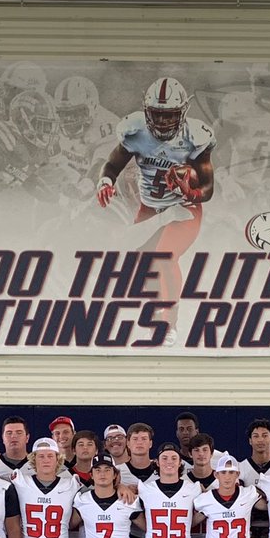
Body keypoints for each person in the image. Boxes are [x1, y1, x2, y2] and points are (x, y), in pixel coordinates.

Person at [96, 77, 215, 345]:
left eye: (169, 115)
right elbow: (113, 165)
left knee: (164, 257)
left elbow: (207, 188)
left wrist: (190, 191)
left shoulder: (195, 137)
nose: (162, 121)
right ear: (147, 111)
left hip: (183, 209)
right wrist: (105, 181)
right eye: (157, 114)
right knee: (141, 264)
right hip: (150, 207)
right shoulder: (135, 131)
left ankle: (168, 323)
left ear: (182, 112)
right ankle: (155, 312)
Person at [72, 454, 142, 538]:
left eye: (107, 470)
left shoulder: (128, 500)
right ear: (91, 475)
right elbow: (67, 526)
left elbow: (147, 527)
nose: (102, 474)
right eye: (97, 470)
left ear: (115, 474)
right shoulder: (83, 500)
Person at [135, 443, 200, 538]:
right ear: (157, 462)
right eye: (164, 458)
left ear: (180, 462)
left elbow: (205, 512)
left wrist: (187, 524)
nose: (169, 461)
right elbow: (133, 513)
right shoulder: (145, 489)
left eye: (173, 458)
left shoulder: (193, 489)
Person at [239, 418, 270, 487]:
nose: (260, 440)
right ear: (250, 441)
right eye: (256, 436)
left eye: (265, 436)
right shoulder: (241, 468)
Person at [0, 416, 31, 480]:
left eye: (19, 433)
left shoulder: (37, 464)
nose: (13, 436)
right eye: (9, 433)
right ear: (3, 438)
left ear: (27, 438)